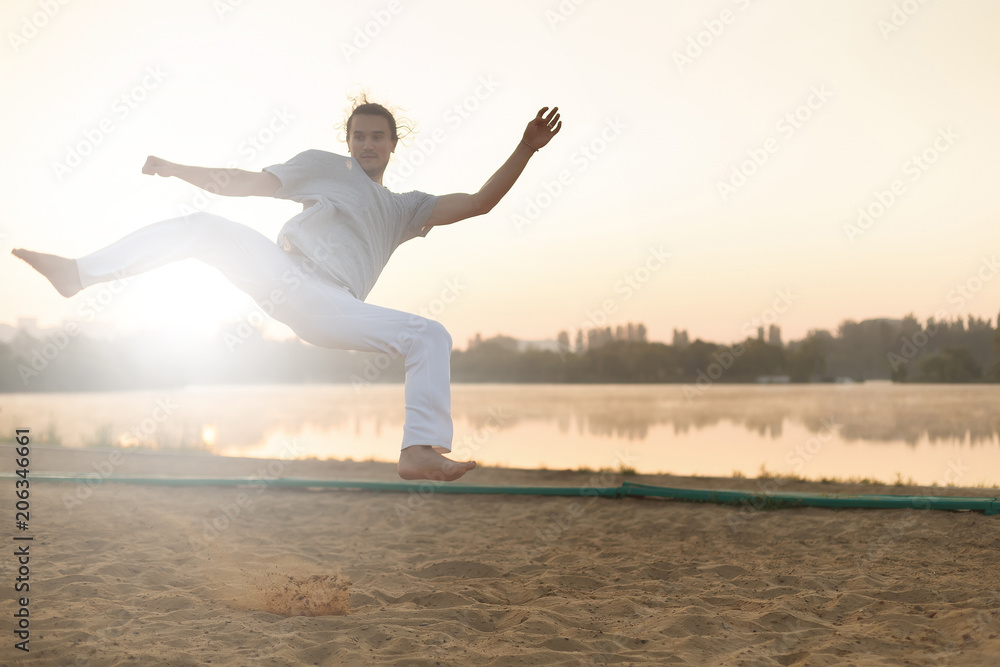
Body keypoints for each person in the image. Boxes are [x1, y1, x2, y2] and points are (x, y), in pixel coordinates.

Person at [11, 99, 562, 482]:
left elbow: (480, 201)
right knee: (203, 228)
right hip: (279, 269)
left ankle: (418, 449)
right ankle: (78, 273)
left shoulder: (404, 208)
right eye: (359, 136)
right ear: (347, 143)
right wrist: (178, 168)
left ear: (394, 145)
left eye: (378, 137)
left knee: (430, 335)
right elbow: (246, 183)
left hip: (331, 302)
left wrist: (526, 148)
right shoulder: (322, 168)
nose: (368, 144)